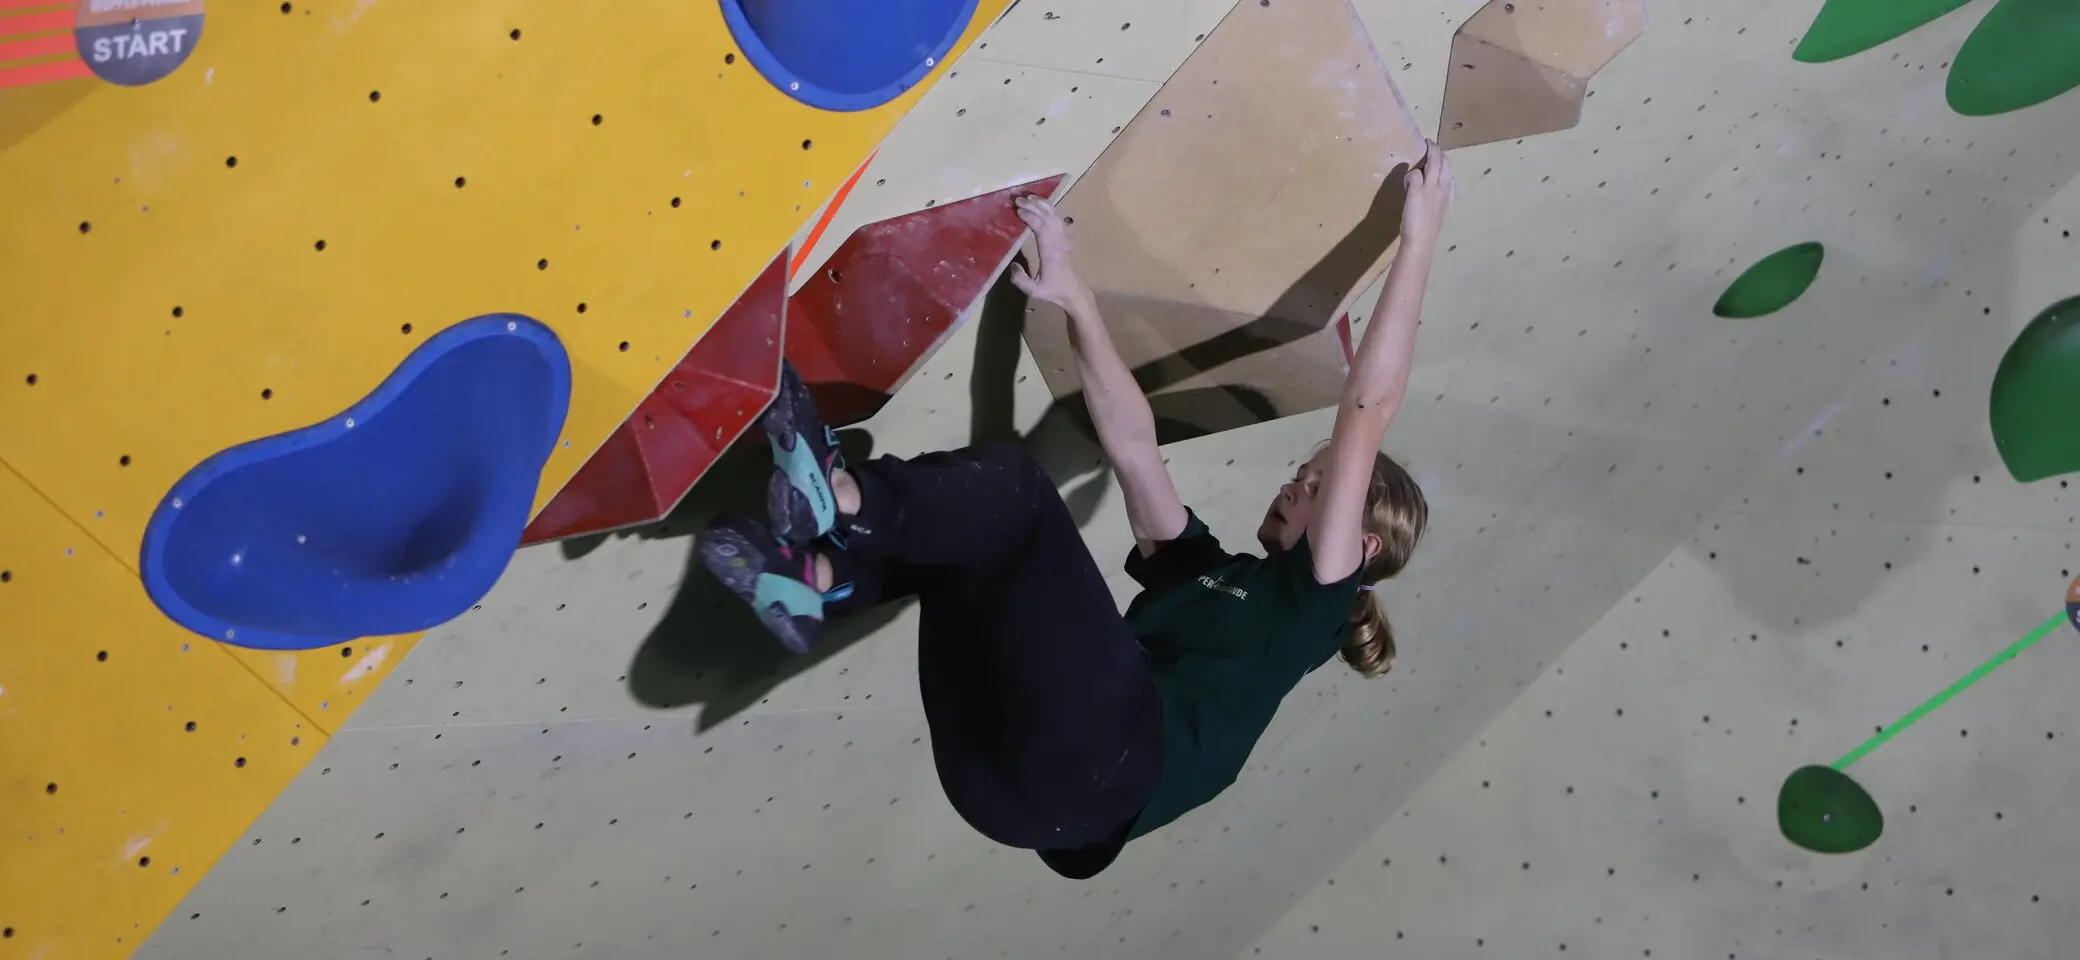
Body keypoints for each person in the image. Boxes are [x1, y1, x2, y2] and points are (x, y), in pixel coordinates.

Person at [699, 141, 1457, 878]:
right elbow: (1132, 445)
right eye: (1304, 473)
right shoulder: (1211, 576)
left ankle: (840, 496)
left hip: (1103, 771)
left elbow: (1367, 408)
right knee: (963, 544)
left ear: (1358, 546)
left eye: (1318, 486)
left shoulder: (1313, 605)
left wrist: (1417, 240)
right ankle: (820, 578)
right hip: (1005, 794)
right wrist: (1077, 300)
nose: (1295, 484)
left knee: (1020, 495)